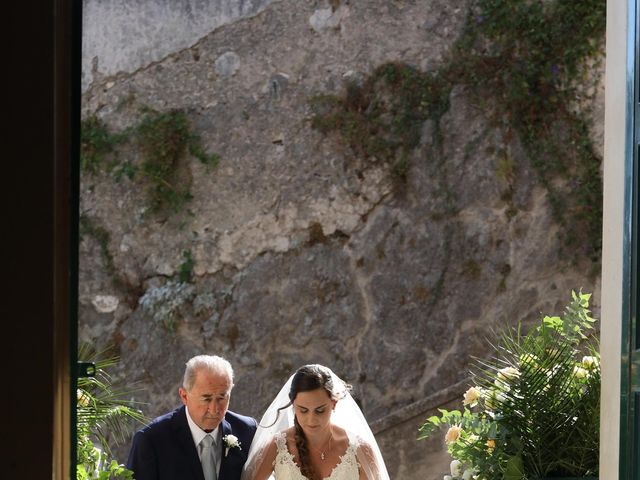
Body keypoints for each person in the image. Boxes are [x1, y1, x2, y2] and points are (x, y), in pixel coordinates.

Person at [241, 364, 389, 480]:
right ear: (293, 405)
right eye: (303, 410)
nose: (311, 420)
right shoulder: (278, 447)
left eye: (319, 410)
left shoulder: (360, 450)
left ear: (333, 404)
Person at [127, 355, 257, 480]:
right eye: (206, 399)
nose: (214, 409)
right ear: (184, 396)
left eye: (221, 398)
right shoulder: (151, 440)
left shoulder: (247, 431)